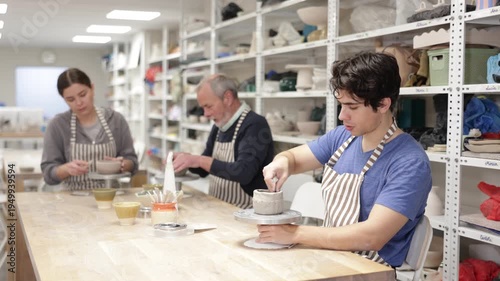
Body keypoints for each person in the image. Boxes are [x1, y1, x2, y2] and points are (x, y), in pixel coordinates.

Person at [259, 51, 432, 268]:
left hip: (369, 271)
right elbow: (293, 158)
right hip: (330, 257)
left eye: (352, 107)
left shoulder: (409, 162)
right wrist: (281, 162)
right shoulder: (342, 137)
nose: (342, 116)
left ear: (383, 104)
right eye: (341, 105)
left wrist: (294, 233)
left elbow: (372, 236)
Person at [173, 74, 274, 209]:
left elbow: (243, 173)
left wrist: (199, 160)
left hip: (247, 211)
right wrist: (186, 160)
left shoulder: (255, 124)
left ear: (227, 98)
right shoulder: (219, 126)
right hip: (220, 207)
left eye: (208, 106)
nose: (205, 114)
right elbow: (203, 170)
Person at [41, 68, 138, 190]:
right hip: (72, 199)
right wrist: (66, 169)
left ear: (92, 88)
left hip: (112, 195)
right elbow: (48, 174)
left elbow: (133, 163)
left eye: (83, 95)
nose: (79, 103)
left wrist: (122, 164)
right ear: (64, 99)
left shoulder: (116, 120)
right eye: (71, 99)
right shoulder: (57, 125)